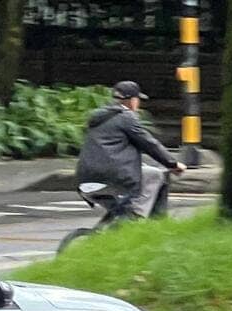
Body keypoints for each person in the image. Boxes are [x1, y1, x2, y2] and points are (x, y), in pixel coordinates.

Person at [76, 81, 187, 218]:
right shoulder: (126, 117)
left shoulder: (98, 117)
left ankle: (108, 229)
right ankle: (138, 217)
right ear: (133, 100)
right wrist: (173, 164)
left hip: (85, 179)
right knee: (157, 175)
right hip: (112, 176)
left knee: (119, 212)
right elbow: (149, 143)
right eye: (138, 99)